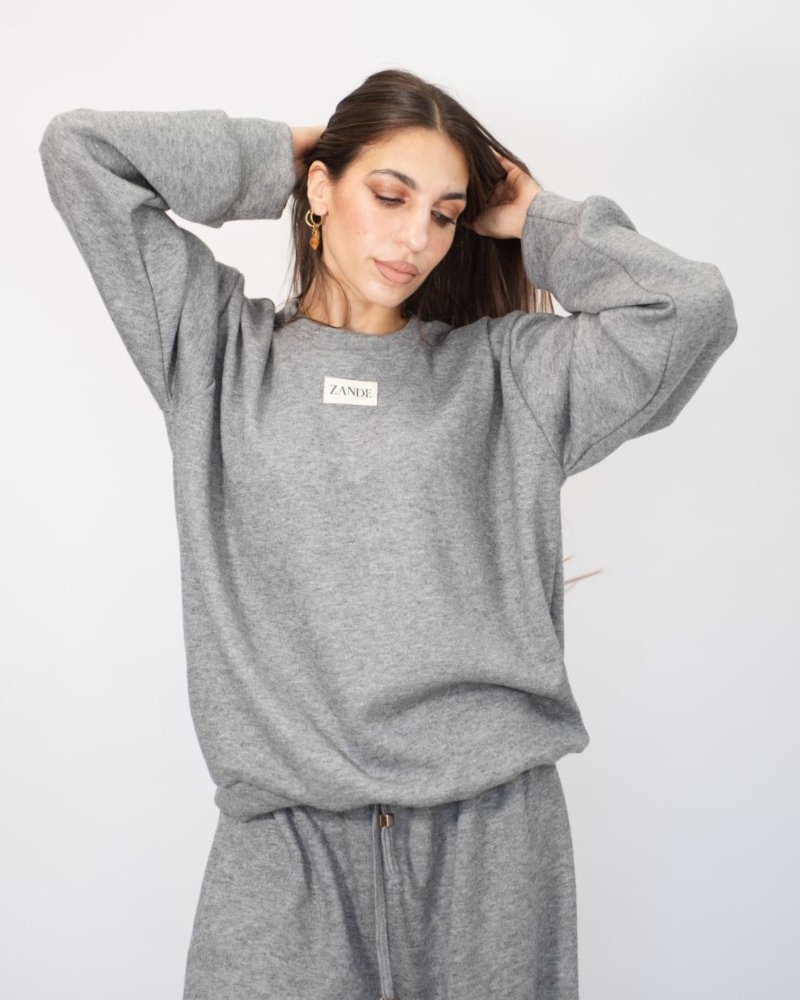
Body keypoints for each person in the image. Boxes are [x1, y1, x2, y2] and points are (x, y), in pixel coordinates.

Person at [38, 68, 737, 1000]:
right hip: (283, 852)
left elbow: (689, 310)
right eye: (389, 194)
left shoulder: (508, 378)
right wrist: (286, 151)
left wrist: (540, 220)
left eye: (445, 213)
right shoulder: (215, 355)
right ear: (321, 190)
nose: (416, 239)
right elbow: (81, 152)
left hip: (491, 848)